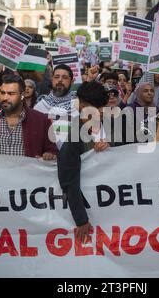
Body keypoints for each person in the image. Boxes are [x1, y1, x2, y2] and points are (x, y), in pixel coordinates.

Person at [57, 81, 109, 244]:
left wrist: (111, 147)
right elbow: (68, 178)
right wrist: (81, 219)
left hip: (115, 207)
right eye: (82, 107)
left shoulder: (117, 127)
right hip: (90, 209)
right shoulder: (74, 135)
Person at [34, 64, 78, 148]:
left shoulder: (79, 105)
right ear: (52, 80)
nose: (60, 80)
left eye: (65, 77)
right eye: (57, 77)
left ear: (72, 81)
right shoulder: (40, 106)